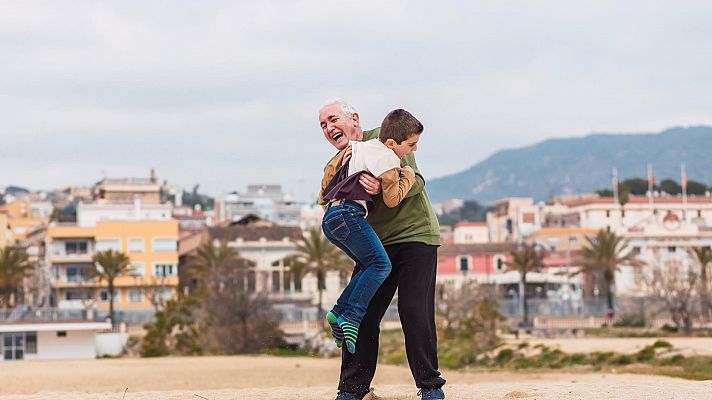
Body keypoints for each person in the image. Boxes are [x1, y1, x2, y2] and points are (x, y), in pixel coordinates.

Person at [318, 99, 446, 400]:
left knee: (415, 311)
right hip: (377, 244)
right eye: (323, 125)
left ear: (354, 118)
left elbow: (417, 182)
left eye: (333, 119)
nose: (329, 128)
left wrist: (382, 187)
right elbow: (327, 197)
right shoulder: (339, 160)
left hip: (416, 235)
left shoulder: (387, 136)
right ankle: (351, 390)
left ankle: (430, 387)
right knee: (362, 312)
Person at [321, 109, 420, 354]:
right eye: (411, 145)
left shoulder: (358, 148)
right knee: (381, 266)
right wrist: (406, 174)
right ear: (391, 143)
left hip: (331, 218)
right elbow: (393, 198)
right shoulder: (388, 159)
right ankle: (351, 317)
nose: (413, 151)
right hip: (349, 214)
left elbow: (326, 187)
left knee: (368, 265)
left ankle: (337, 312)